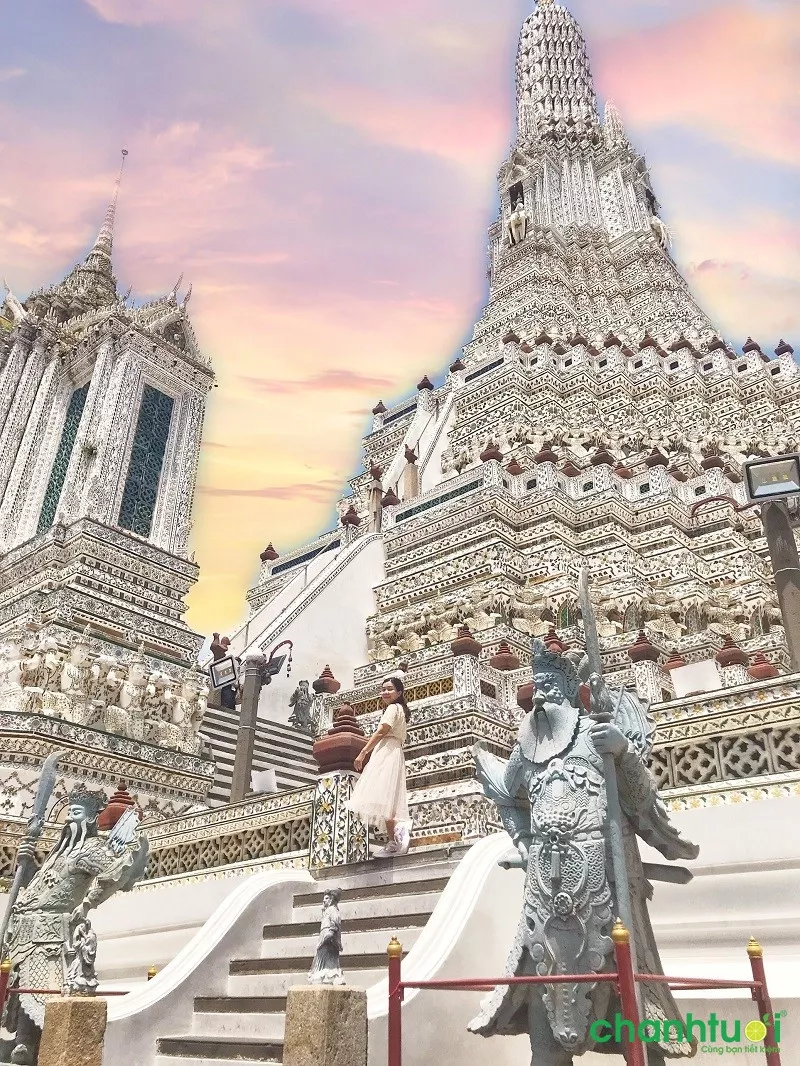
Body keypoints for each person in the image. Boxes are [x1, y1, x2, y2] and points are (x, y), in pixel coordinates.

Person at [345, 672, 411, 857]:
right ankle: (395, 840)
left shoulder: (393, 708)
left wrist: (363, 751)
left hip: (387, 751)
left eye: (390, 689)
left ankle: (397, 837)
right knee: (388, 798)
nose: (385, 692)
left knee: (384, 794)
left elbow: (382, 730)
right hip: (392, 750)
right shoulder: (399, 709)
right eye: (383, 690)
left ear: (399, 692)